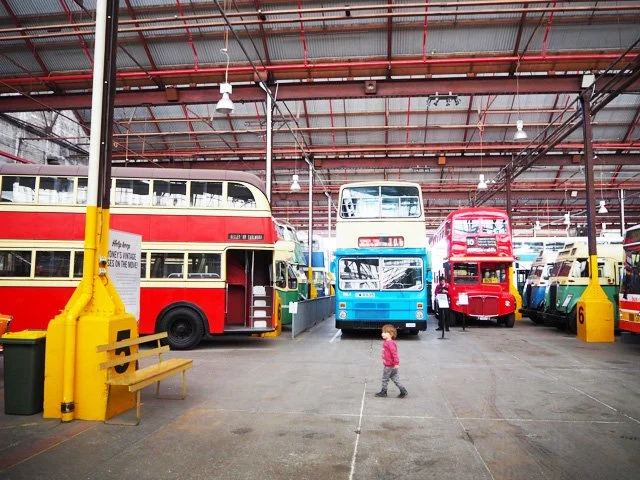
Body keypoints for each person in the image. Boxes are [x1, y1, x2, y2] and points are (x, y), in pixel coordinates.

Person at [375, 324, 408, 398]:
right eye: (383, 332)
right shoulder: (388, 342)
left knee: (385, 379)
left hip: (389, 365)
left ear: (391, 334)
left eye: (385, 332)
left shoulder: (390, 343)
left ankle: (384, 392)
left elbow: (394, 354)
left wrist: (396, 363)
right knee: (395, 378)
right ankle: (403, 391)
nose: (383, 333)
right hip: (391, 365)